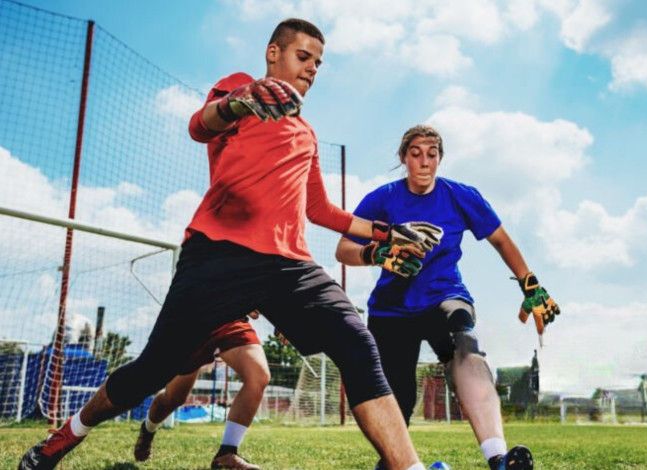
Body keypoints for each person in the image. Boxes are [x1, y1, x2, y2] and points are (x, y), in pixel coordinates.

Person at [19, 19, 436, 470]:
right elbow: (201, 126)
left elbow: (321, 211)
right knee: (152, 373)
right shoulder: (238, 91)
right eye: (303, 56)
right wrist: (243, 103)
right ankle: (61, 439)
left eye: (319, 63)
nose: (313, 68)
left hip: (289, 265)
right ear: (273, 53)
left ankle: (407, 467)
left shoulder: (306, 134)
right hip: (219, 254)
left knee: (358, 342)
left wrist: (388, 233)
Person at [336, 125, 560, 470]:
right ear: (403, 158)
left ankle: (498, 458)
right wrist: (377, 253)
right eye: (416, 153)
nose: (424, 161)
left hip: (445, 296)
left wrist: (529, 284)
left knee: (465, 348)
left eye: (432, 153)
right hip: (391, 310)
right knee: (399, 397)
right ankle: (397, 464)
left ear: (440, 158)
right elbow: (344, 249)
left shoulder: (460, 195)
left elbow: (501, 239)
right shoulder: (382, 199)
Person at [133, 314, 268, 470]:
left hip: (232, 321)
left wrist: (284, 325)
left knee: (259, 376)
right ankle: (148, 429)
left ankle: (227, 453)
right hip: (196, 318)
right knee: (174, 398)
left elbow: (262, 300)